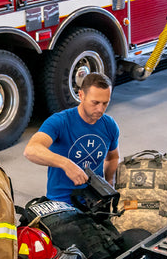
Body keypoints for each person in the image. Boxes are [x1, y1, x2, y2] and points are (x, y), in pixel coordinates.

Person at [24, 72, 119, 203]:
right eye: (95, 102)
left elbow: (113, 157)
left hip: (95, 200)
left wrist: (109, 184)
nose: (100, 109)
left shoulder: (109, 125)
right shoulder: (60, 121)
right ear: (81, 95)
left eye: (105, 103)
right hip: (62, 202)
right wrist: (66, 164)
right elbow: (31, 150)